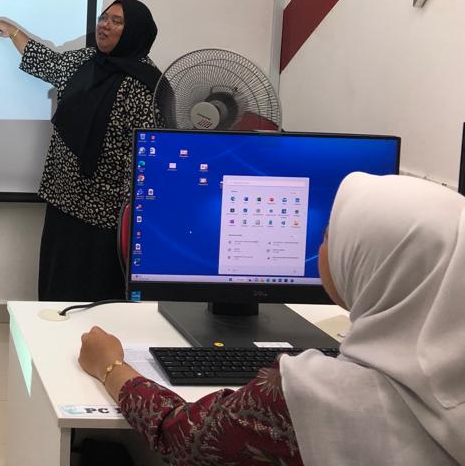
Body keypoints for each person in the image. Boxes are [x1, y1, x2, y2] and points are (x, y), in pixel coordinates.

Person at [77, 172, 465, 466]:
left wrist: (110, 366)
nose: (321, 247)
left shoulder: (310, 398)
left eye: (330, 236)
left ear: (369, 265)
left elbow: (181, 436)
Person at [0, 0, 164, 302]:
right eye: (104, 17)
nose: (105, 25)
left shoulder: (145, 86)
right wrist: (12, 31)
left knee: (95, 293)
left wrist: (134, 217)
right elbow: (47, 63)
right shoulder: (87, 61)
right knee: (59, 287)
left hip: (106, 215)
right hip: (64, 199)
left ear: (136, 31)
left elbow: (146, 158)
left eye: (117, 21)